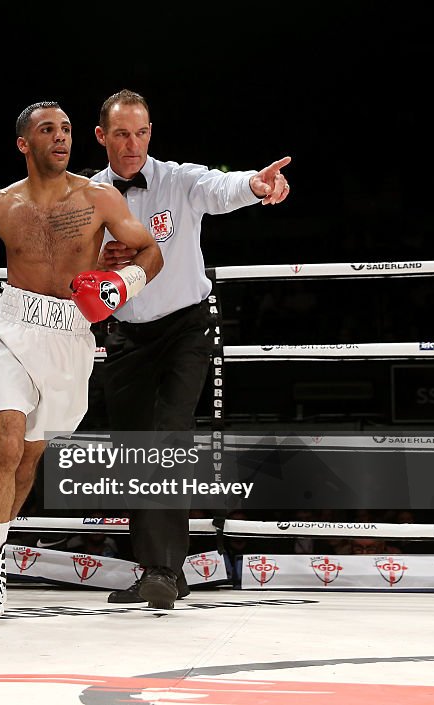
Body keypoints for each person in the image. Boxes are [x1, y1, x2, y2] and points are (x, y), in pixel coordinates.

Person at [0, 101, 163, 619]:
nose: (61, 137)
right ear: (23, 144)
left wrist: (121, 285)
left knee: (30, 455)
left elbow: (152, 252)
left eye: (67, 129)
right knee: (7, 438)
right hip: (11, 323)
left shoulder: (99, 197)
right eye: (47, 130)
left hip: (72, 332)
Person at [89, 89, 291, 609]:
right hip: (127, 334)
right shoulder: (88, 193)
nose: (133, 144)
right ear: (102, 137)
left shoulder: (177, 180)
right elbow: (71, 261)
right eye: (121, 134)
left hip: (185, 328)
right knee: (134, 451)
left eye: (141, 132)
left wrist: (255, 184)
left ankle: (161, 570)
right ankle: (158, 569)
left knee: (166, 436)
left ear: (150, 133)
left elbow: (220, 188)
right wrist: (97, 257)